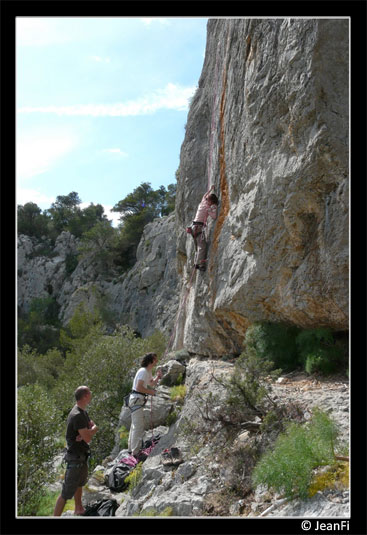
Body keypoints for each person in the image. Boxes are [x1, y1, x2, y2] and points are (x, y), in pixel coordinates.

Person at [53, 386, 98, 516]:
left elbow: (92, 427)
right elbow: (88, 438)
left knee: (80, 483)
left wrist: (90, 431)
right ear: (85, 396)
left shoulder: (83, 412)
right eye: (90, 392)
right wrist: (89, 432)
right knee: (65, 494)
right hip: (75, 458)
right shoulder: (77, 415)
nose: (91, 394)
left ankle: (79, 509)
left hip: (82, 456)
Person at [128, 353, 162, 457]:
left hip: (136, 400)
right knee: (138, 426)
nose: (156, 361)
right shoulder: (143, 371)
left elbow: (151, 383)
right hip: (137, 399)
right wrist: (151, 392)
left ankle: (131, 449)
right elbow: (139, 387)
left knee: (135, 425)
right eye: (155, 360)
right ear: (151, 360)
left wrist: (158, 377)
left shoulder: (147, 372)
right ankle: (135, 452)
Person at [187, 185, 218, 271]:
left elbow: (205, 195)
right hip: (198, 227)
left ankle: (197, 263)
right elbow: (214, 216)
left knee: (198, 246)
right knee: (202, 246)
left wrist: (210, 189)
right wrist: (210, 210)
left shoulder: (202, 202)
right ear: (211, 202)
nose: (207, 200)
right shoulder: (208, 207)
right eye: (209, 200)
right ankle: (199, 264)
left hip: (194, 227)